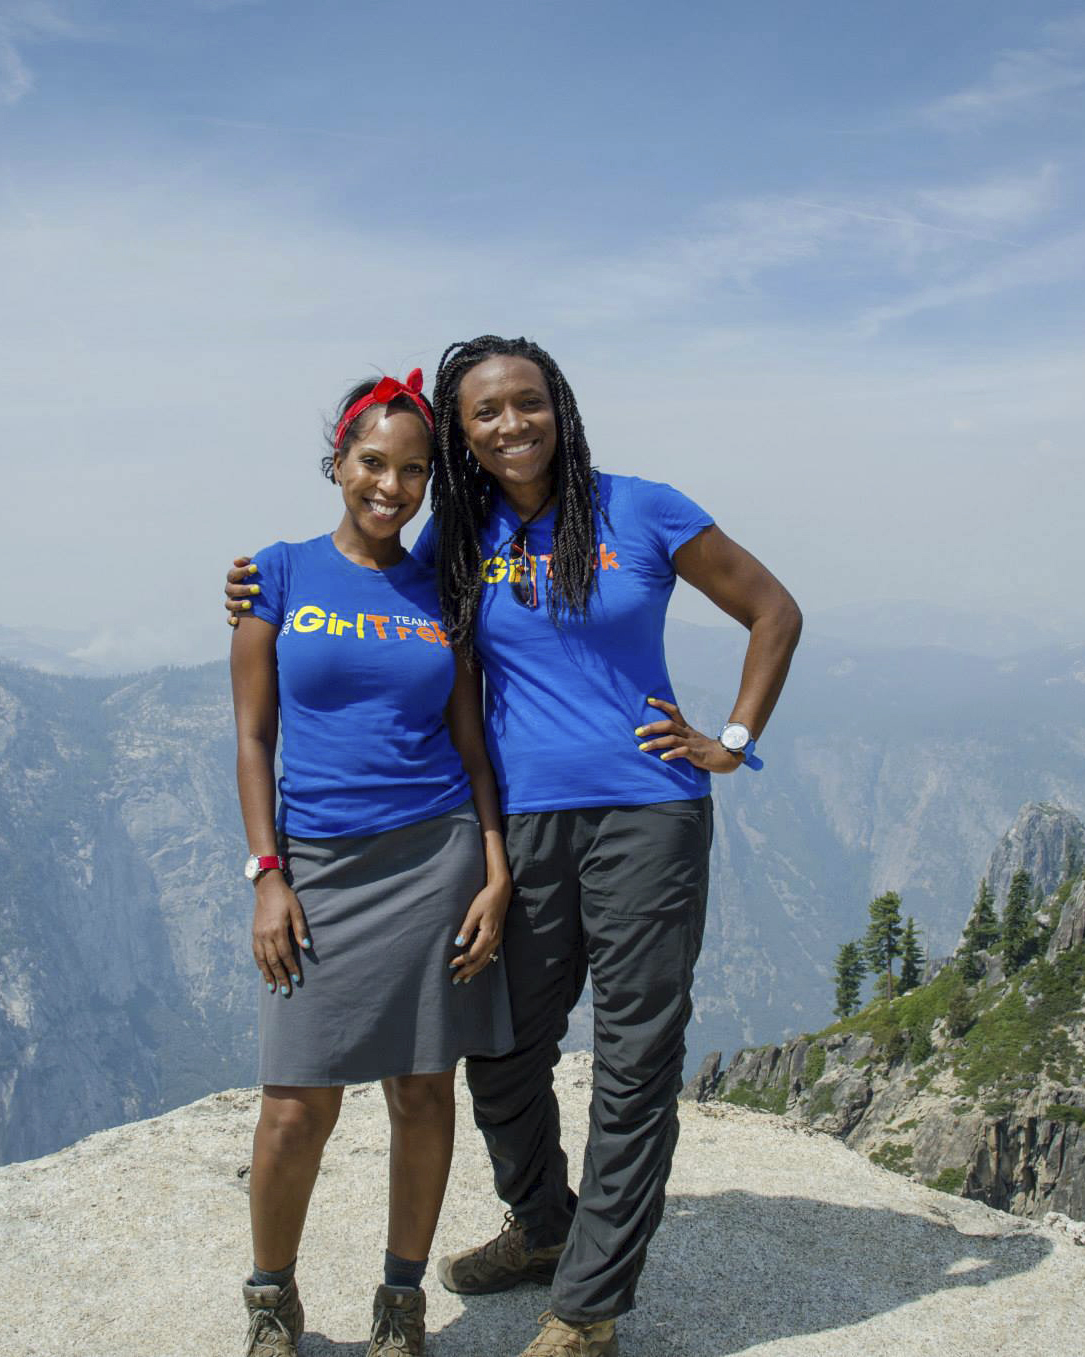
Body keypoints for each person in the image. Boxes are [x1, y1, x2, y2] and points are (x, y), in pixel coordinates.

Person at [227, 336, 801, 1357]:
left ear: (558, 406)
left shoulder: (645, 507)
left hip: (646, 816)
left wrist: (731, 741)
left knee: (631, 1060)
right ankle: (543, 1226)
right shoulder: (460, 533)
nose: (509, 425)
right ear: (461, 434)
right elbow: (364, 604)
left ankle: (587, 1307)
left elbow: (771, 609)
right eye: (484, 413)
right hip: (519, 824)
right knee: (496, 1048)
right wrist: (257, 590)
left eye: (525, 403)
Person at [230, 368, 514, 1357]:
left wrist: (492, 865)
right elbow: (253, 738)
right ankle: (271, 1300)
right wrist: (268, 873)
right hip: (312, 867)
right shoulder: (277, 572)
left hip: (433, 858)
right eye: (370, 464)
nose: (388, 487)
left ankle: (400, 1303)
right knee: (294, 1104)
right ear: (337, 464)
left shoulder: (443, 588)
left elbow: (471, 743)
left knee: (422, 1090)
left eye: (409, 471)